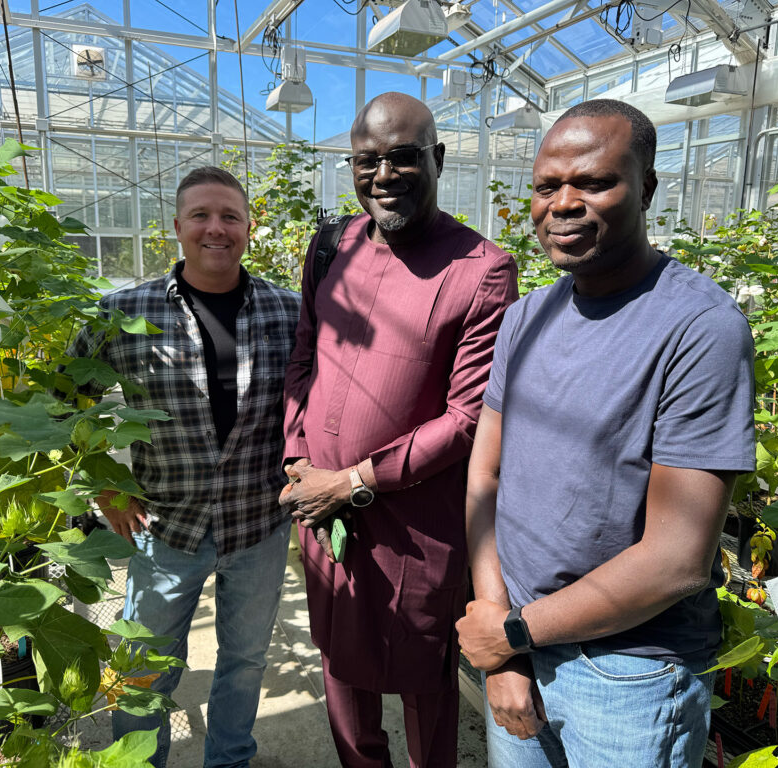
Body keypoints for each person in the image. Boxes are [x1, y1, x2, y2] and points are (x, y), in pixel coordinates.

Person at [455, 99, 756, 768]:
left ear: (646, 188)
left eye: (593, 183)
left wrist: (507, 634)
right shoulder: (526, 317)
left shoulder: (698, 329)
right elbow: (487, 477)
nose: (563, 203)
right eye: (546, 185)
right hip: (520, 645)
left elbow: (676, 559)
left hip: (627, 676)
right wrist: (500, 631)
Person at [280, 92, 518, 768]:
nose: (384, 175)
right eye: (367, 161)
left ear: (437, 159)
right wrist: (300, 460)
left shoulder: (482, 269)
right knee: (340, 664)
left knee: (423, 678)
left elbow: (467, 419)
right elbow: (305, 357)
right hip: (319, 505)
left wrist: (353, 481)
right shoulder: (331, 245)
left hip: (413, 521)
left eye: (404, 158)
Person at [66, 166, 300, 768]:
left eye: (229, 216)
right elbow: (64, 406)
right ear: (177, 227)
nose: (215, 228)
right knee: (144, 667)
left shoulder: (289, 313)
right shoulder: (121, 311)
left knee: (244, 662)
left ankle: (229, 761)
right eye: (201, 215)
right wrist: (105, 486)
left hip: (258, 525)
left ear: (250, 226)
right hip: (164, 525)